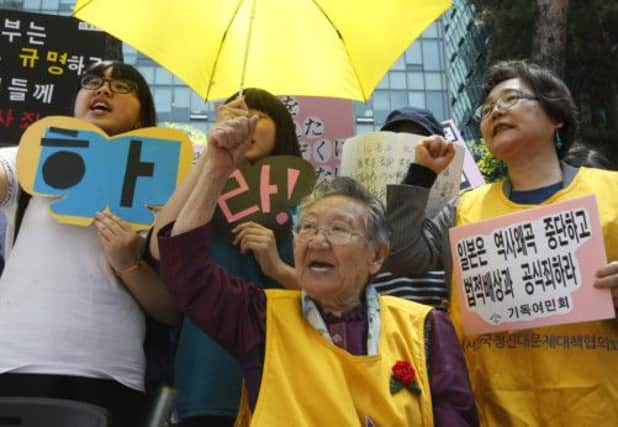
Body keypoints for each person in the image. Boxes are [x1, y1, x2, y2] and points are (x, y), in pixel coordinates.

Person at [155, 113, 479, 426]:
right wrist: (216, 168)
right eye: (307, 228)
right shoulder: (260, 318)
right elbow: (187, 273)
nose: (317, 241)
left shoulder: (425, 329)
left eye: (339, 229)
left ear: (377, 256)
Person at [384, 60, 618, 425]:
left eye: (511, 99)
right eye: (488, 108)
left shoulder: (612, 193)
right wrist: (421, 174)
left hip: (597, 409)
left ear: (556, 115)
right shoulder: (465, 208)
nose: (496, 112)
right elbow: (398, 253)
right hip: (493, 411)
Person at [0, 60, 175, 427]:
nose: (104, 89)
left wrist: (129, 263)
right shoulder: (32, 154)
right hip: (12, 358)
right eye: (92, 81)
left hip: (110, 370)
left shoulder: (167, 185)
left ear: (144, 114)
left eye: (123, 85)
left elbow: (170, 310)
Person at [150, 88, 301, 427]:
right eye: (235, 113)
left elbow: (329, 295)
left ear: (282, 130)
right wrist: (212, 157)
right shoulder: (204, 192)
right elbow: (162, 248)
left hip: (285, 379)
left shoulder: (304, 202)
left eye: (258, 115)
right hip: (207, 375)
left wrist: (277, 267)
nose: (245, 122)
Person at [370, 107, 449, 307]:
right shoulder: (366, 213)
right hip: (381, 325)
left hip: (440, 325)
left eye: (420, 143)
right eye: (394, 141)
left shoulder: (455, 211)